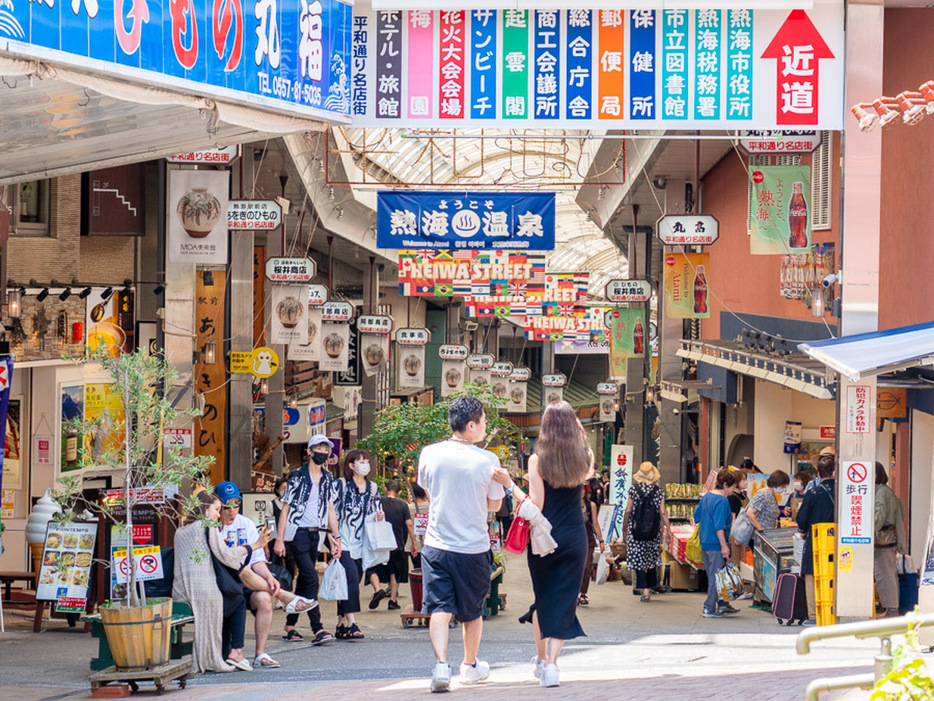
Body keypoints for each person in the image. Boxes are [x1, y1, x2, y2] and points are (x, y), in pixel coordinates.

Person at [417, 396, 506, 693]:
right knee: (472, 610)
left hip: (436, 544)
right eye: (483, 421)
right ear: (471, 425)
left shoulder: (429, 454)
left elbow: (428, 492)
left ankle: (441, 665)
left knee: (439, 607)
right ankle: (469, 666)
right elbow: (494, 504)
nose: (485, 427)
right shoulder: (488, 460)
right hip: (473, 546)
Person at [500, 401, 592, 689]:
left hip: (544, 539)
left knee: (544, 598)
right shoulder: (585, 455)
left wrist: (509, 485)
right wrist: (581, 436)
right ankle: (550, 665)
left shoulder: (537, 459)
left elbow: (536, 504)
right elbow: (585, 477)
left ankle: (542, 661)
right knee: (564, 601)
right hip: (575, 536)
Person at [216, 481, 316, 668]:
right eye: (226, 506)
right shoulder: (212, 527)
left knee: (263, 598)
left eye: (236, 504)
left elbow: (257, 560)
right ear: (217, 506)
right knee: (241, 569)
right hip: (223, 583)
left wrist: (269, 577)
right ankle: (287, 597)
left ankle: (260, 653)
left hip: (249, 582)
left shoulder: (245, 523)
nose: (232, 511)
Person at [173, 491, 263, 673]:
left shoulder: (180, 531)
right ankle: (229, 653)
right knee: (237, 599)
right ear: (204, 509)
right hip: (202, 593)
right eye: (215, 509)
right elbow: (227, 555)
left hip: (179, 593)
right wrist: (256, 545)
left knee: (229, 598)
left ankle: (226, 652)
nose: (217, 514)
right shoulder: (207, 527)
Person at [273, 434, 340, 645]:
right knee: (312, 578)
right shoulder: (297, 476)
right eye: (318, 449)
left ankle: (290, 624)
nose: (323, 452)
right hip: (298, 533)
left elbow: (330, 508)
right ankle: (317, 628)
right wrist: (280, 539)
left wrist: (335, 537)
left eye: (326, 449)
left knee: (304, 580)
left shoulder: (329, 478)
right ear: (309, 451)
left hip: (317, 534)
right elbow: (286, 508)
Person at [334, 449, 383, 640]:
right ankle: (352, 622)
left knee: (347, 582)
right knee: (351, 580)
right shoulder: (341, 485)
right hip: (342, 540)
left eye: (367, 461)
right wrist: (332, 537)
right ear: (351, 465)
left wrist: (379, 515)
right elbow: (331, 510)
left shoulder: (373, 488)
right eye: (360, 461)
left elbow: (376, 509)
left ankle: (340, 624)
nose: (364, 464)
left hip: (361, 542)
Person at [797, 454, 836, 625]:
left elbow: (802, 518)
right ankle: (835, 609)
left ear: (818, 474)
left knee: (812, 574)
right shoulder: (843, 491)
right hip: (838, 540)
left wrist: (803, 530)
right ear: (834, 472)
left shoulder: (813, 492)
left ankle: (814, 615)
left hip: (816, 540)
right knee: (835, 574)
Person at [694, 468, 739, 618]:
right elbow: (719, 526)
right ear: (725, 485)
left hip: (705, 541)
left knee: (715, 574)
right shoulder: (722, 501)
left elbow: (696, 516)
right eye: (733, 486)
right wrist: (724, 545)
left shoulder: (706, 497)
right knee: (716, 576)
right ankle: (709, 608)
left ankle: (724, 603)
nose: (733, 490)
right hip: (715, 543)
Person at [368, 479, 417, 610]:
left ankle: (378, 589)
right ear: (399, 492)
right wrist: (414, 542)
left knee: (372, 568)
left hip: (379, 542)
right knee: (395, 572)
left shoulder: (378, 502)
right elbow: (409, 524)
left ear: (385, 489)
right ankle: (393, 600)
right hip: (397, 543)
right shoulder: (403, 505)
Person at [623, 462, 669, 603]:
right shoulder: (659, 491)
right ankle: (649, 589)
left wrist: (625, 526)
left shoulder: (633, 490)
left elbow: (628, 510)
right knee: (650, 558)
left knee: (638, 559)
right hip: (653, 531)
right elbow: (662, 512)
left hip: (636, 530)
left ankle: (644, 591)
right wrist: (669, 528)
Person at [874, 462, 907, 618]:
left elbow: (878, 518)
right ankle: (890, 608)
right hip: (889, 540)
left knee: (885, 574)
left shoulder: (881, 493)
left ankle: (892, 610)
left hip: (883, 541)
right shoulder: (886, 491)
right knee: (887, 574)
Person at [577, 484, 604, 606]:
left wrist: (601, 540)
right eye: (579, 489)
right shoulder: (570, 505)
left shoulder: (591, 505)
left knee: (586, 567)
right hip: (573, 539)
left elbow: (595, 523)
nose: (581, 491)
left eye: (583, 489)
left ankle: (583, 593)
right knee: (574, 567)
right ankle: (573, 594)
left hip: (588, 539)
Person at [746, 470, 791, 536]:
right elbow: (749, 513)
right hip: (759, 537)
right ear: (777, 483)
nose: (784, 489)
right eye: (783, 486)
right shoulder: (762, 494)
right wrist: (761, 530)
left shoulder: (772, 495)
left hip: (769, 534)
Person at [409, 482, 430, 568]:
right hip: (428, 542)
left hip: (414, 543)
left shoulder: (409, 507)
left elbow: (409, 524)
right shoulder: (429, 506)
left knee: (417, 568)